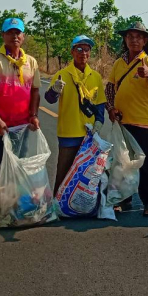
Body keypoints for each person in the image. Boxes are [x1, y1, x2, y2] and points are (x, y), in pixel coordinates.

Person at [105, 21, 148, 217]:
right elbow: (110, 87)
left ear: (145, 40)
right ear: (125, 39)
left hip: (141, 120)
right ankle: (122, 198)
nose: (134, 40)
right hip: (122, 120)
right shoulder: (119, 62)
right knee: (121, 162)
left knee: (144, 163)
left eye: (139, 37)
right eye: (130, 36)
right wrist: (111, 108)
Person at [0, 17, 41, 203]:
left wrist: (33, 115)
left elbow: (35, 91)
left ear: (23, 36)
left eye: (18, 32)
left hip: (21, 128)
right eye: (10, 32)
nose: (14, 36)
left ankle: (11, 207)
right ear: (3, 35)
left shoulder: (31, 62)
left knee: (16, 169)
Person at [45, 35, 106, 193]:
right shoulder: (62, 74)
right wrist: (54, 90)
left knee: (89, 172)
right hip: (69, 132)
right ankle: (57, 205)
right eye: (79, 49)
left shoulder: (96, 77)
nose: (83, 53)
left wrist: (99, 121)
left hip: (89, 134)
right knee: (64, 171)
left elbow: (100, 103)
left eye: (86, 49)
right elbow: (49, 99)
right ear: (72, 52)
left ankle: (83, 205)